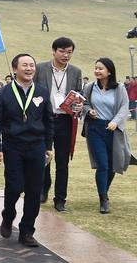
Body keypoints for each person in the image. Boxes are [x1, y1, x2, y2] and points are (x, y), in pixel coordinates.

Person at [0, 54, 54, 248]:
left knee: (34, 190)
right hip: (13, 146)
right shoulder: (3, 93)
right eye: (24, 65)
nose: (29, 68)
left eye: (32, 65)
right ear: (15, 69)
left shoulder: (42, 92)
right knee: (14, 186)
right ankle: (8, 215)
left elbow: (48, 120)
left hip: (36, 146)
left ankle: (27, 231)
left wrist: (48, 146)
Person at [34, 37, 83, 212]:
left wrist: (79, 105)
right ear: (53, 51)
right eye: (62, 51)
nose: (65, 55)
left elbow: (79, 94)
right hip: (44, 119)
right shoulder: (40, 69)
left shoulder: (76, 72)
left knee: (63, 162)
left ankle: (60, 199)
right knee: (43, 157)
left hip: (65, 120)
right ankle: (43, 188)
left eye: (69, 52)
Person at [81, 58, 131, 214]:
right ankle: (103, 199)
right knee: (102, 164)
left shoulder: (119, 88)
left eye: (100, 68)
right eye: (96, 68)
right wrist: (89, 111)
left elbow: (124, 107)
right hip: (95, 129)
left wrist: (115, 122)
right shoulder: (90, 87)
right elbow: (84, 103)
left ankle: (105, 190)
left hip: (113, 130)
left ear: (109, 71)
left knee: (112, 165)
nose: (97, 71)